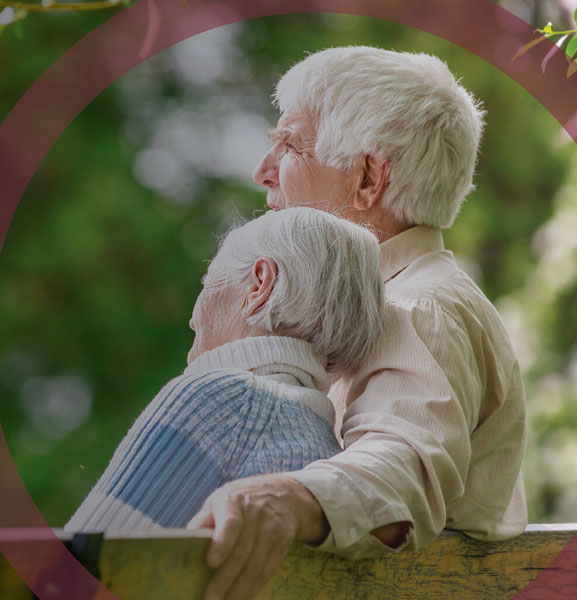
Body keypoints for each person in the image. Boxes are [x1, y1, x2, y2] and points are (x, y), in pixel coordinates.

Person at [187, 47, 528, 600]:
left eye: (289, 145)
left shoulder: (419, 307)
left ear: (368, 178)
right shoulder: (386, 299)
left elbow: (403, 463)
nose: (262, 171)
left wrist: (283, 498)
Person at [64, 207, 384, 532]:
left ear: (259, 285)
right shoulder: (326, 446)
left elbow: (74, 567)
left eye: (207, 283)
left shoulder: (219, 401)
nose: (193, 318)